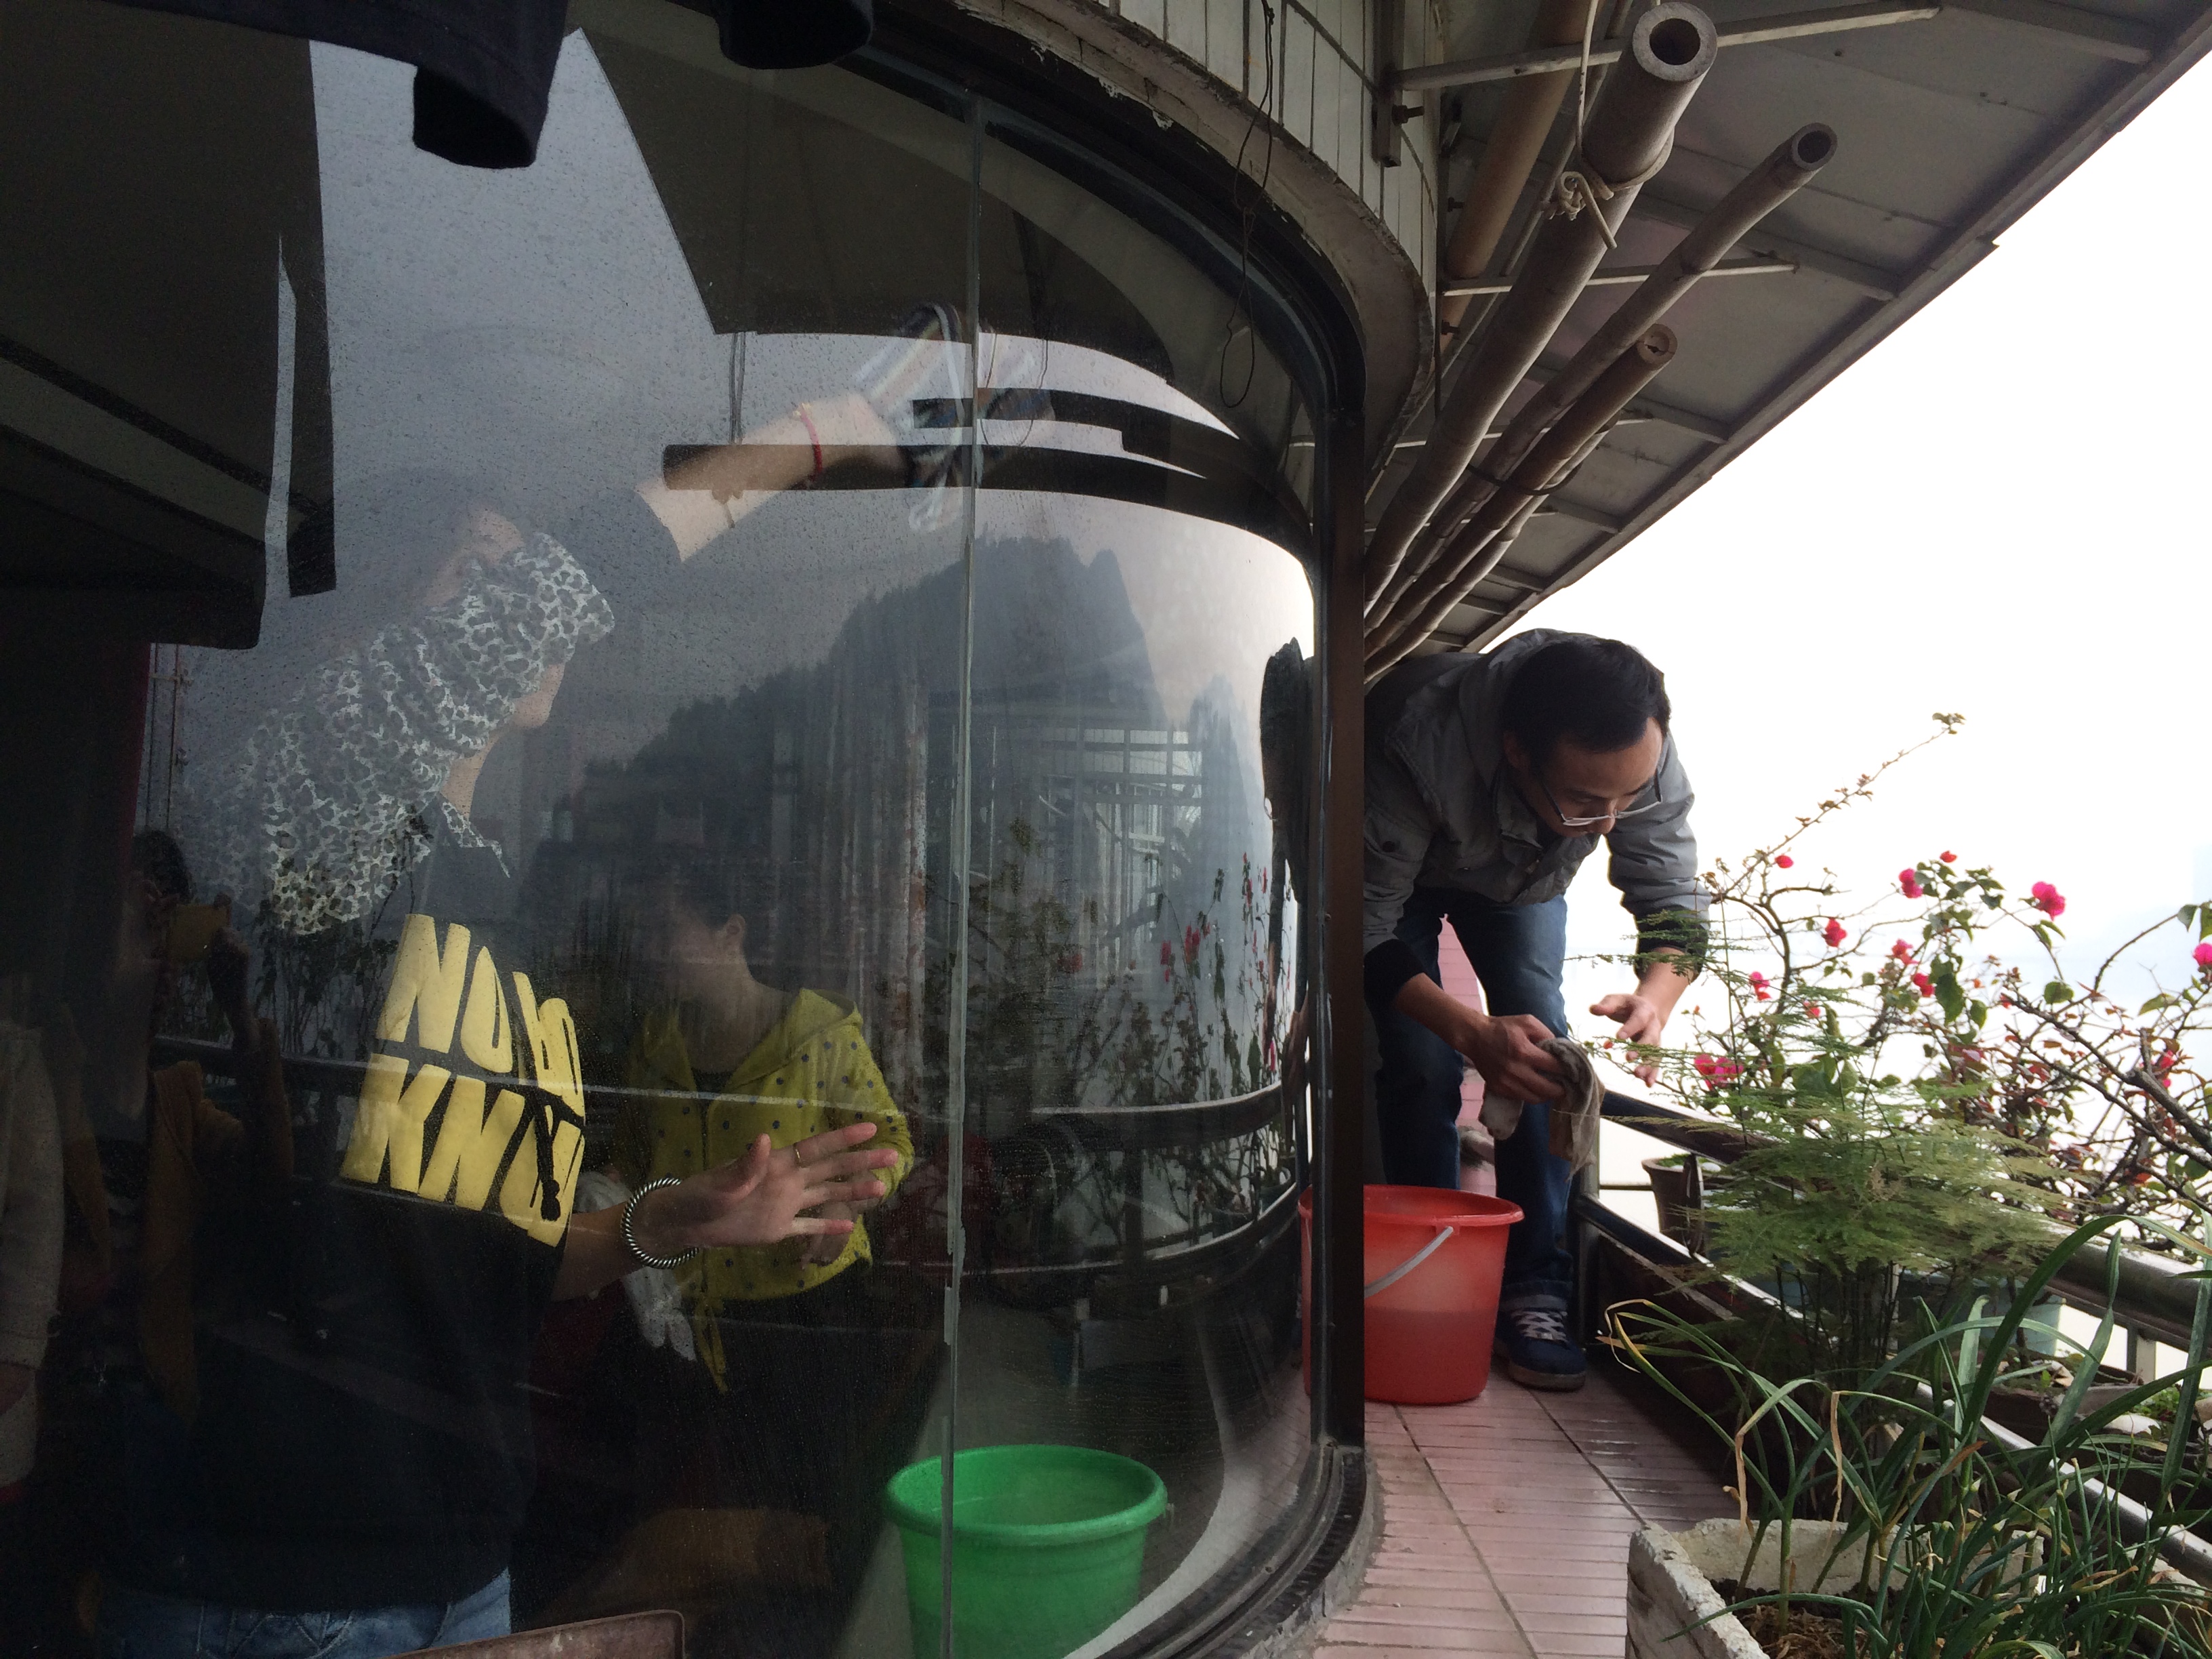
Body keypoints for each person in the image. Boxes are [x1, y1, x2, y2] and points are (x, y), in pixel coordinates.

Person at [1364, 632, 1705, 1391]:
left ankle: (1535, 1288)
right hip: (1393, 882)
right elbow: (1360, 927)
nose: (1611, 822)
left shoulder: (1639, 753)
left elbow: (1674, 897)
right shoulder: (1413, 738)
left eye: (1627, 799)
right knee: (1421, 1060)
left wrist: (1655, 996)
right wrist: (1470, 1033)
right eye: (1586, 802)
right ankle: (1432, 1268)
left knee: (1544, 1041)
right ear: (1517, 751)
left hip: (1520, 883)